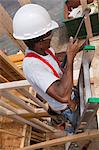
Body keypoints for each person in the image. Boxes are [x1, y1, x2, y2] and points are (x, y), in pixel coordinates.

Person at [13, 4, 84, 134]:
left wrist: (71, 51)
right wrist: (70, 57)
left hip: (69, 97)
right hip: (66, 107)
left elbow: (53, 60)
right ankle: (74, 136)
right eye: (49, 35)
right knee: (77, 128)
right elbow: (63, 95)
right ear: (40, 42)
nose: (52, 37)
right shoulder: (32, 66)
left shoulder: (43, 50)